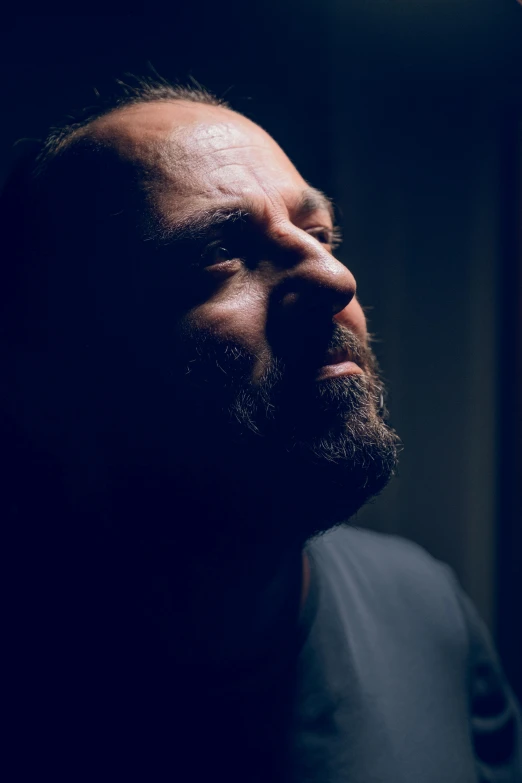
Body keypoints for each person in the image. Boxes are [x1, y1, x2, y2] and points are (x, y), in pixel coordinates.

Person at [1, 76, 520, 782]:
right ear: (53, 373)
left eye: (319, 233)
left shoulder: (427, 609)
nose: (337, 279)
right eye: (221, 249)